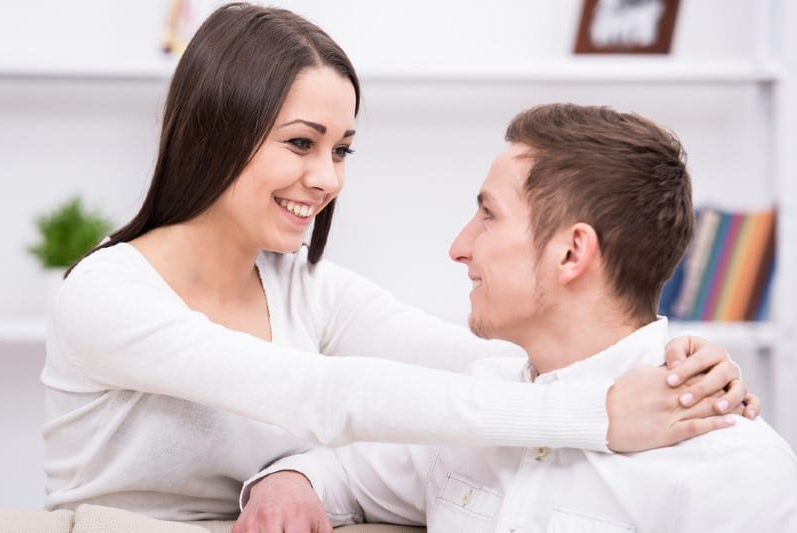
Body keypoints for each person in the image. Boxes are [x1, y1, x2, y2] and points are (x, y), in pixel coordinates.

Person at [42, 3, 754, 524]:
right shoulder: (107, 294)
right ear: (215, 133)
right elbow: (324, 394)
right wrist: (595, 413)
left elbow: (487, 365)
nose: (327, 178)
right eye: (301, 142)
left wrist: (673, 374)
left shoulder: (308, 291)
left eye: (342, 149)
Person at [251, 103, 797, 532]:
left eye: (488, 215)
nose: (459, 247)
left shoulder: (734, 470)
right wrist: (288, 484)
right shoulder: (478, 410)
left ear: (570, 254)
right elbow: (338, 471)